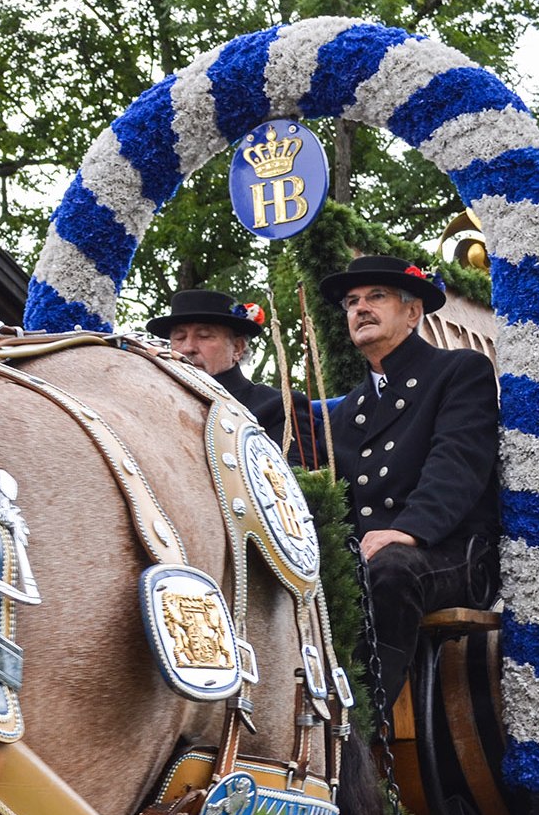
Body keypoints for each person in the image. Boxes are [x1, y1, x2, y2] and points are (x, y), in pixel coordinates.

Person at [320, 255, 500, 701]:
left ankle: (361, 725)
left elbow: (457, 464)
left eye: (376, 297)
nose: (360, 308)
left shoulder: (459, 371)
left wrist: (407, 530)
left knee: (390, 570)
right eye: (351, 302)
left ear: (413, 311)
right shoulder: (348, 410)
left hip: (450, 552)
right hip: (369, 556)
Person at [150, 288, 315, 463]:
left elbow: (296, 483)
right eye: (179, 338)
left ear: (237, 348)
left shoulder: (279, 407)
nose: (187, 347)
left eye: (204, 336)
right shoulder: (155, 406)